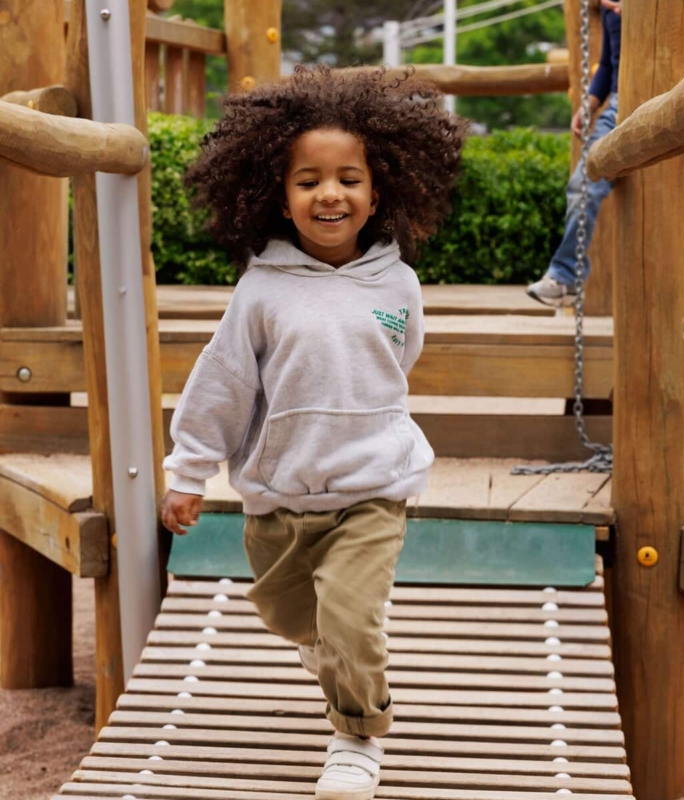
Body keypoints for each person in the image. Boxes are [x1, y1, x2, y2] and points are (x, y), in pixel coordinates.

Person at [160, 66, 467, 800]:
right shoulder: (262, 290)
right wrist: (188, 471)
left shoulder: (399, 284)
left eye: (348, 178)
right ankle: (326, 649)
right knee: (287, 612)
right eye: (309, 181)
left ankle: (357, 735)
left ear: (378, 189)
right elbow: (224, 383)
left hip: (372, 487)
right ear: (279, 193)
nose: (330, 194)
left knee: (353, 622)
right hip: (281, 493)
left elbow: (400, 358)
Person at [527, 0, 684, 322]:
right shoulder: (609, 8)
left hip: (663, 104)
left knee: (660, 204)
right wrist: (590, 106)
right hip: (619, 108)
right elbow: (608, 65)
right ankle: (565, 276)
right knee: (584, 184)